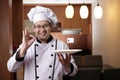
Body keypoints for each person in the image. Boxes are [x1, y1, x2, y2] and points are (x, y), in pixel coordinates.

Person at [7, 6, 78, 80]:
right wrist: (23, 49)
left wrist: (68, 66)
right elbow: (11, 68)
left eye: (46, 25)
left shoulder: (62, 45)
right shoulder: (26, 46)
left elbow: (74, 72)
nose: (42, 29)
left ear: (51, 27)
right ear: (34, 28)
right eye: (38, 26)